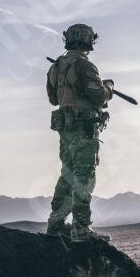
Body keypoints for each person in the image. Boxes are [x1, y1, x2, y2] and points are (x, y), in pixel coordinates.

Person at [46, 23, 114, 242]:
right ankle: (81, 229)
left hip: (65, 130)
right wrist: (109, 87)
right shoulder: (85, 66)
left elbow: (53, 99)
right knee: (84, 176)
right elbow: (99, 96)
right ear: (88, 40)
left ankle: (56, 224)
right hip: (83, 130)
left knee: (67, 175)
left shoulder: (56, 67)